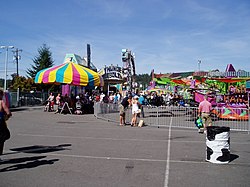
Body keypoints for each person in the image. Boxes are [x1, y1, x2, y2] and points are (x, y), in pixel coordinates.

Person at [0, 89, 12, 160]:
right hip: (0, 122)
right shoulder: (1, 102)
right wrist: (6, 117)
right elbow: (8, 112)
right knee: (4, 136)